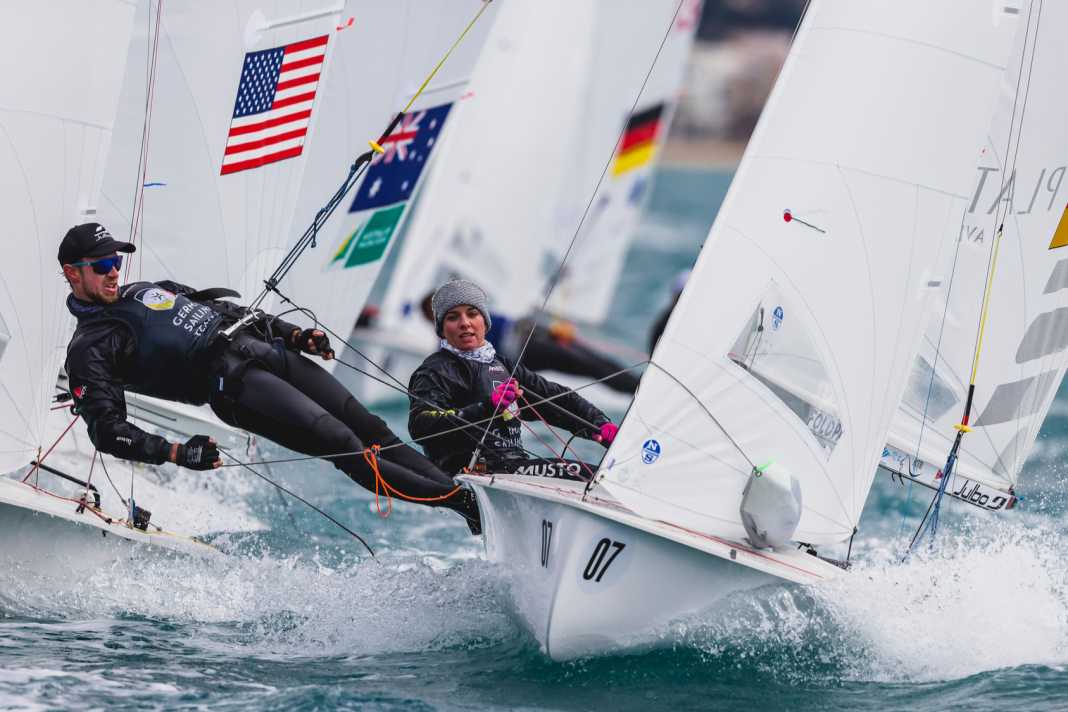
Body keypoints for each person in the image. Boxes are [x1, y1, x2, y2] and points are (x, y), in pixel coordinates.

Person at [58, 223, 480, 532]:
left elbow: (227, 312)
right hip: (235, 387)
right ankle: (462, 503)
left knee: (370, 427)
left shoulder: (142, 290)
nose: (114, 271)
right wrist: (175, 452)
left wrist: (294, 335)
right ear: (73, 273)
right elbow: (107, 430)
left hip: (263, 351)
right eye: (102, 265)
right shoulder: (91, 347)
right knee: (343, 444)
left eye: (116, 260)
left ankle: (463, 493)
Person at [408, 279, 619, 478]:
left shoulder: (501, 364)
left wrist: (598, 423)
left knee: (604, 476)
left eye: (472, 314)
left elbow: (553, 397)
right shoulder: (434, 371)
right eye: (453, 317)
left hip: (512, 468)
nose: (465, 323)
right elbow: (422, 425)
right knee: (586, 475)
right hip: (474, 474)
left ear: (485, 320)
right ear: (441, 328)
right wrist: (487, 407)